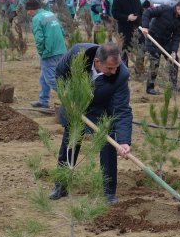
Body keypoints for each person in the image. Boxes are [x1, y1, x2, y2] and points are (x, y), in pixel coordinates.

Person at [49, 42, 133, 205]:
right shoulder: (77, 54)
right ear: (97, 62)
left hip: (102, 107)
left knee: (108, 143)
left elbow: (122, 109)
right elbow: (60, 74)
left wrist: (123, 141)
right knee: (70, 143)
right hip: (75, 104)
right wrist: (67, 98)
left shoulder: (121, 74)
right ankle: (61, 185)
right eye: (110, 68)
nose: (114, 71)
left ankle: (108, 192)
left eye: (116, 67)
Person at [25, 0, 66, 108]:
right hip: (61, 50)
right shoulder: (50, 14)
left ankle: (70, 99)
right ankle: (43, 101)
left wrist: (42, 52)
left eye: (27, 10)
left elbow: (39, 39)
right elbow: (62, 30)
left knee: (51, 79)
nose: (27, 13)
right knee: (43, 77)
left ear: (31, 10)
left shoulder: (37, 18)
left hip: (49, 52)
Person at [140, 2, 180, 95]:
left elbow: (176, 37)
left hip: (166, 41)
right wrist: (145, 26)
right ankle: (150, 88)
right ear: (178, 8)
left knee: (174, 61)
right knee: (155, 63)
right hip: (152, 39)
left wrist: (174, 51)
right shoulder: (164, 9)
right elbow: (147, 13)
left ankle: (173, 85)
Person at [112, 0, 143, 67]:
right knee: (124, 52)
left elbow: (140, 12)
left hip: (137, 29)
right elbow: (115, 14)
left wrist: (140, 21)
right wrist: (127, 17)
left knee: (141, 49)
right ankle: (124, 70)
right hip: (125, 30)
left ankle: (139, 70)